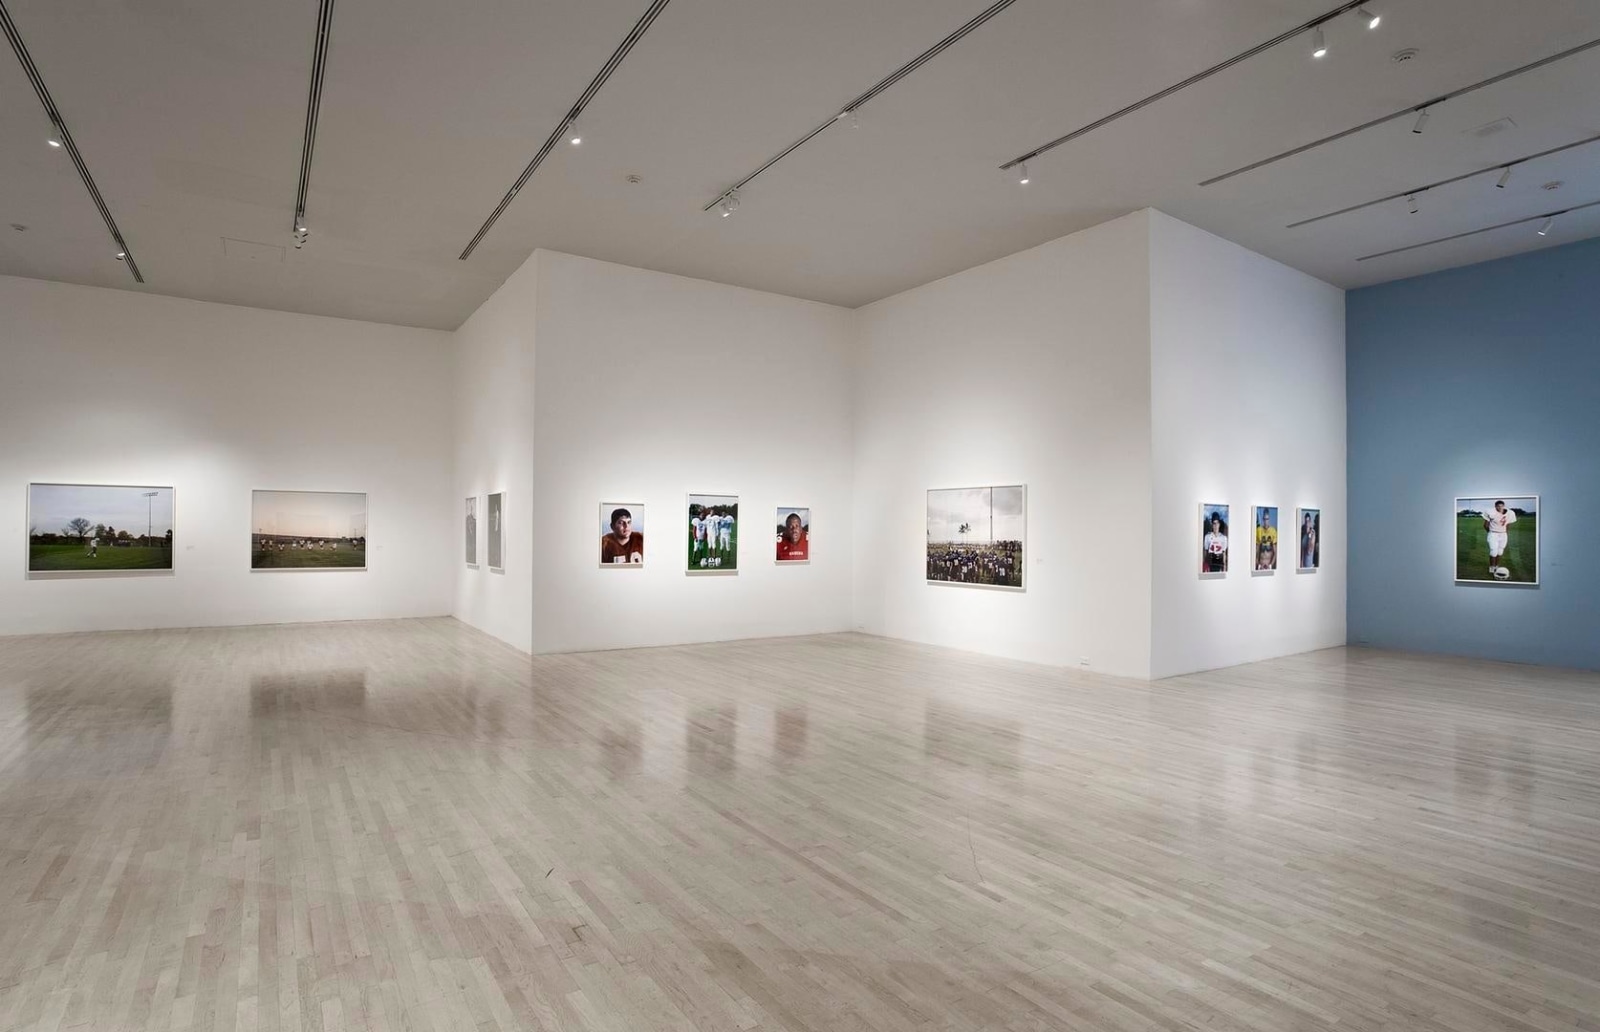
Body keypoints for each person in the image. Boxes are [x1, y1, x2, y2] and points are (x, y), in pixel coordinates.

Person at [1483, 500, 1517, 576]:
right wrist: (1491, 532)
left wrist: (1505, 533)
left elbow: (1507, 524)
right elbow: (1485, 525)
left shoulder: (1510, 513)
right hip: (1493, 534)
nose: (1500, 507)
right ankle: (1492, 567)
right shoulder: (1491, 512)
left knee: (1500, 551)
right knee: (1493, 551)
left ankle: (1496, 566)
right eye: (1498, 506)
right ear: (1495, 507)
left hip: (1503, 534)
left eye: (1501, 506)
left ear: (1504, 506)